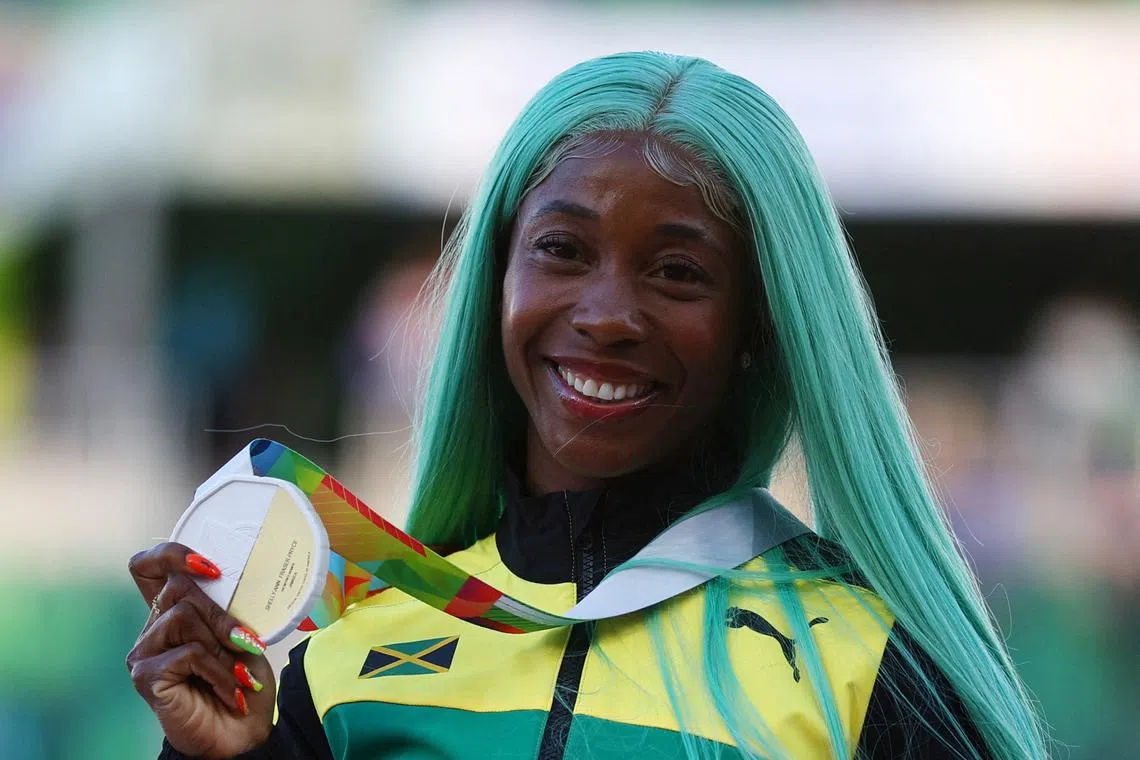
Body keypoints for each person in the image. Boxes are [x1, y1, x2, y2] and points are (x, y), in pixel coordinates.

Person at [126, 52, 1049, 759]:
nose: (606, 315)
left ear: (762, 327)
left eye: (678, 271)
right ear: (495, 283)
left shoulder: (864, 663)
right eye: (563, 251)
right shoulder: (347, 660)